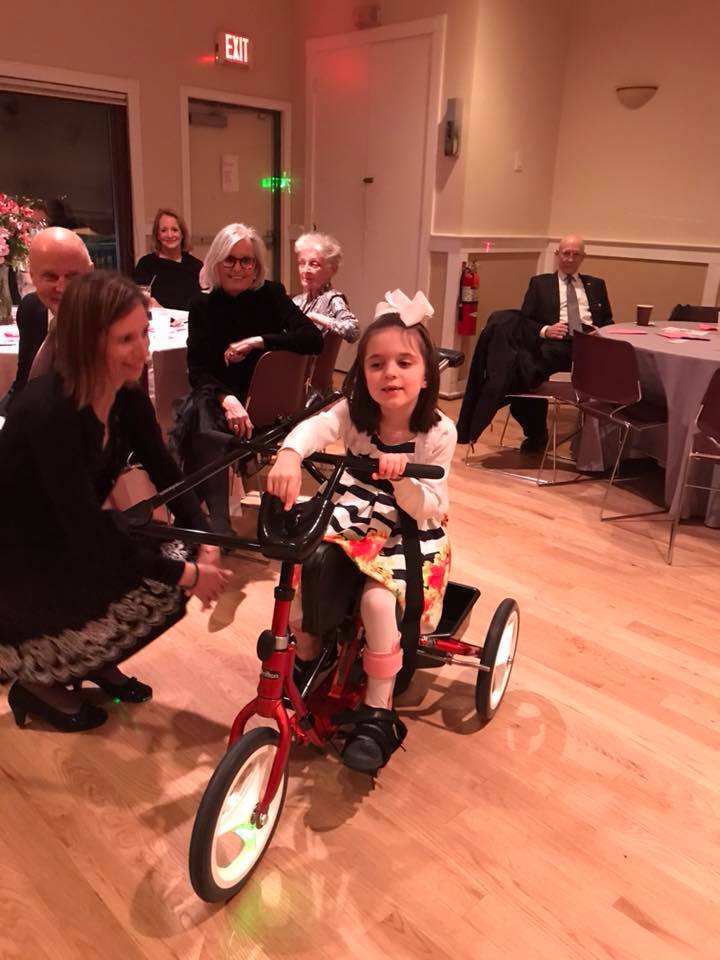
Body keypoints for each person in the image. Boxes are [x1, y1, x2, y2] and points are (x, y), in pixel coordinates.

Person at [0, 271, 231, 732]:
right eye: (125, 339)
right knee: (166, 572)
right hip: (21, 562)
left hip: (70, 538)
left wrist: (205, 539)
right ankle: (38, 683)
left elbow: (166, 472)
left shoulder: (125, 396)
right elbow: (85, 533)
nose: (142, 350)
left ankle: (92, 662)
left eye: (144, 333)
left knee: (175, 555)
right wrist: (190, 575)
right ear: (86, 342)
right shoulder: (48, 410)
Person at [267, 290, 455, 774]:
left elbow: (432, 506)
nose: (390, 373)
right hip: (350, 514)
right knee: (304, 565)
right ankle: (309, 652)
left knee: (377, 602)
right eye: (376, 364)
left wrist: (405, 479)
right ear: (362, 374)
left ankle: (378, 706)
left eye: (404, 362)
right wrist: (290, 454)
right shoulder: (353, 413)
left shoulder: (438, 432)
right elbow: (316, 427)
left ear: (426, 374)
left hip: (408, 531)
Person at [180, 222, 323, 536]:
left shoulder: (270, 294)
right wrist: (227, 399)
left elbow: (313, 339)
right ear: (216, 262)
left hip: (267, 402)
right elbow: (197, 370)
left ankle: (203, 521)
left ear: (256, 266)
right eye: (230, 259)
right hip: (223, 398)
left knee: (197, 421)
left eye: (247, 260)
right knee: (201, 414)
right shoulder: (202, 305)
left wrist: (259, 341)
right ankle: (214, 523)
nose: (238, 268)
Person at [511, 233, 613, 451]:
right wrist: (546, 330)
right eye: (566, 254)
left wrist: (602, 331)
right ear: (557, 255)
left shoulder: (596, 285)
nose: (570, 259)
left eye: (576, 255)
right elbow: (525, 320)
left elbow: (608, 320)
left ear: (583, 257)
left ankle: (599, 442)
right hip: (556, 342)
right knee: (523, 370)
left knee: (621, 366)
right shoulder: (540, 284)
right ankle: (536, 432)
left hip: (590, 344)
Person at [0, 226, 93, 414]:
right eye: (50, 277)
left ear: (90, 272)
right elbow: (23, 382)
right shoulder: (31, 309)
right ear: (33, 276)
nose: (62, 287)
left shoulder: (108, 318)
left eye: (72, 276)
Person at [292, 232, 359, 343]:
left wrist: (315, 317)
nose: (305, 270)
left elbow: (354, 331)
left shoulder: (333, 299)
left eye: (314, 264)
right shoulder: (297, 301)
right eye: (302, 263)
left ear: (332, 269)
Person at [133, 208, 203, 311]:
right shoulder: (146, 264)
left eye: (174, 230)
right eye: (163, 230)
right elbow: (136, 301)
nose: (170, 235)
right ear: (157, 235)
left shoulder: (196, 266)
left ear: (182, 234)